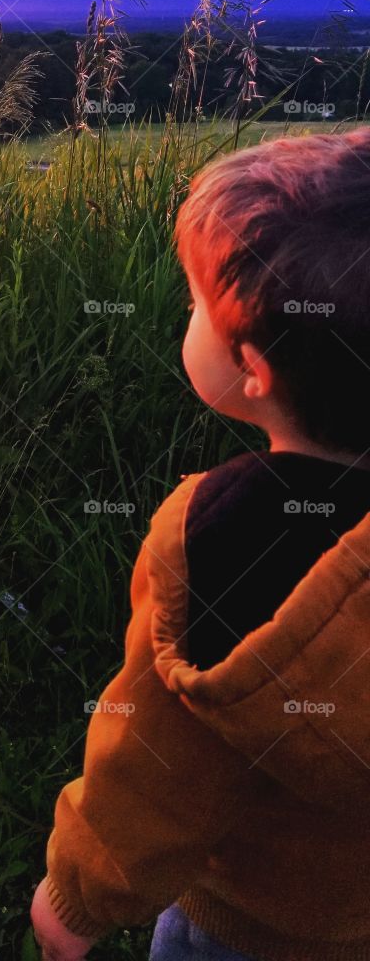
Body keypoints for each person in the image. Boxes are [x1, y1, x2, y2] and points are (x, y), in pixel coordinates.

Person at [31, 127, 370, 961]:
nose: (185, 317)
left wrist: (76, 896)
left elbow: (157, 768)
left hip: (256, 929)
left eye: (194, 306)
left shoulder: (218, 545)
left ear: (253, 367)